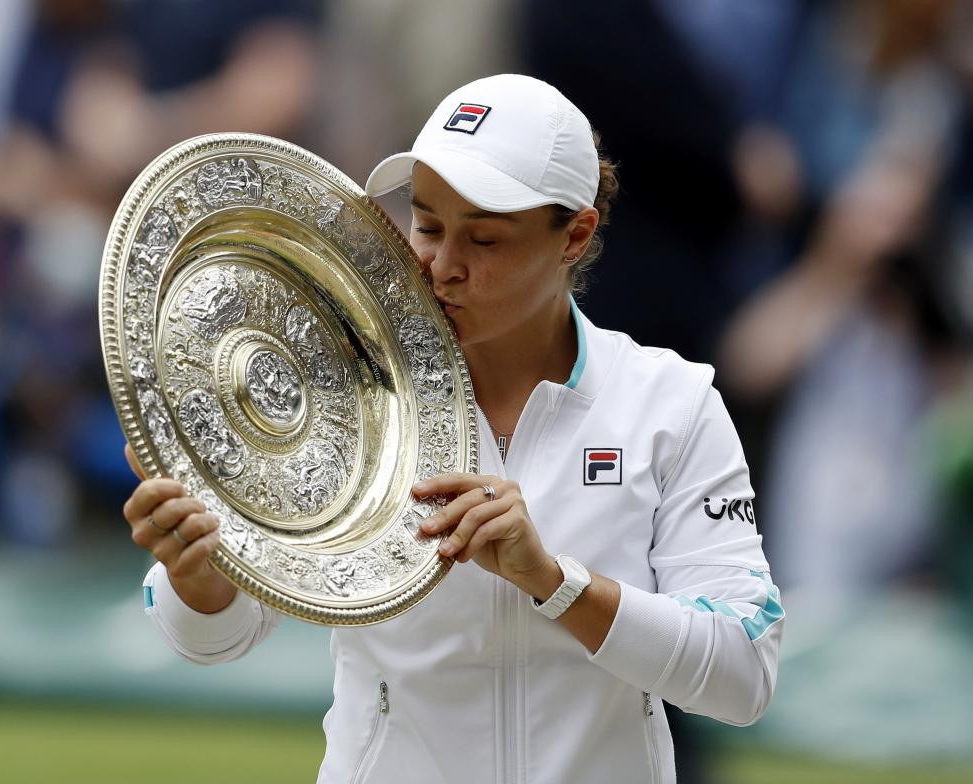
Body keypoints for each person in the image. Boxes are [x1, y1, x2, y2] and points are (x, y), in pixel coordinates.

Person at [121, 74, 783, 783]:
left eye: (485, 239)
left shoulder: (671, 403)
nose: (441, 265)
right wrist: (198, 575)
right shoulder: (341, 395)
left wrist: (553, 581)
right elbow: (215, 638)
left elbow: (743, 674)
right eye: (428, 224)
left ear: (575, 236)